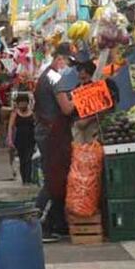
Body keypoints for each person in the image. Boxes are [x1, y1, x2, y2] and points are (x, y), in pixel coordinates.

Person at [33, 42, 78, 242]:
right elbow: (67, 109)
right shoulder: (55, 78)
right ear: (60, 58)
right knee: (54, 179)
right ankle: (38, 222)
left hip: (47, 132)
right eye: (69, 62)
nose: (69, 67)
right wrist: (84, 98)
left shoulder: (46, 76)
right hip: (52, 134)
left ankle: (53, 222)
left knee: (54, 176)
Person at [7, 93, 36, 185]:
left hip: (31, 139)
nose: (22, 105)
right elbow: (10, 127)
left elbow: (36, 125)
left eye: (24, 103)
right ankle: (24, 179)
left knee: (29, 159)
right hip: (19, 139)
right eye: (20, 103)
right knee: (22, 159)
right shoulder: (15, 114)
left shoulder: (32, 113)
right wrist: (10, 140)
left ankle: (28, 179)